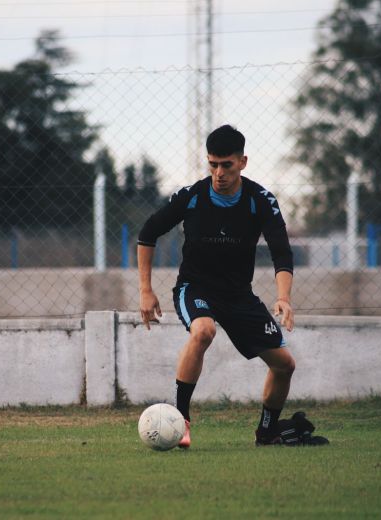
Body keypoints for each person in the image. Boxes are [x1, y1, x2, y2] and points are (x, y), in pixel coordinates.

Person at [137, 124, 296, 448]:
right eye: (213, 164)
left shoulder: (260, 200)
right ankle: (181, 422)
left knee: (284, 365)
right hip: (195, 288)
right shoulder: (192, 197)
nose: (219, 172)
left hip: (238, 295)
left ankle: (267, 432)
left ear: (243, 162)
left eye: (227, 164)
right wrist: (145, 289)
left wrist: (283, 297)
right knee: (203, 331)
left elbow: (281, 250)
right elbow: (148, 232)